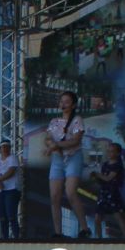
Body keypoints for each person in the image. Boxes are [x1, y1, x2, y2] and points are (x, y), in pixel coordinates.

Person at [45, 91, 88, 238]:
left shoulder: (77, 120)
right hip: (57, 159)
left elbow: (75, 140)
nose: (63, 104)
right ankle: (58, 232)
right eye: (62, 101)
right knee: (54, 195)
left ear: (73, 105)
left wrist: (56, 145)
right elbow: (48, 138)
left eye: (67, 102)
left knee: (70, 192)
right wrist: (52, 145)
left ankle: (84, 228)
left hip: (73, 156)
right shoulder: (54, 122)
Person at [92, 140, 125, 239]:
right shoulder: (105, 164)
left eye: (112, 151)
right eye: (108, 151)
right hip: (103, 192)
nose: (109, 153)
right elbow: (103, 179)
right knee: (97, 217)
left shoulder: (118, 165)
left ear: (117, 153)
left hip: (113, 192)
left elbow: (108, 178)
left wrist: (97, 174)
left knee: (118, 216)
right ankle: (98, 237)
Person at [0, 140, 22, 239]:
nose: (5, 149)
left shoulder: (13, 158)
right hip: (0, 191)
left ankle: (16, 237)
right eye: (3, 147)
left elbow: (11, 171)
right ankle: (5, 238)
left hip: (12, 189)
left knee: (11, 215)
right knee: (2, 216)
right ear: (0, 149)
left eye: (7, 147)